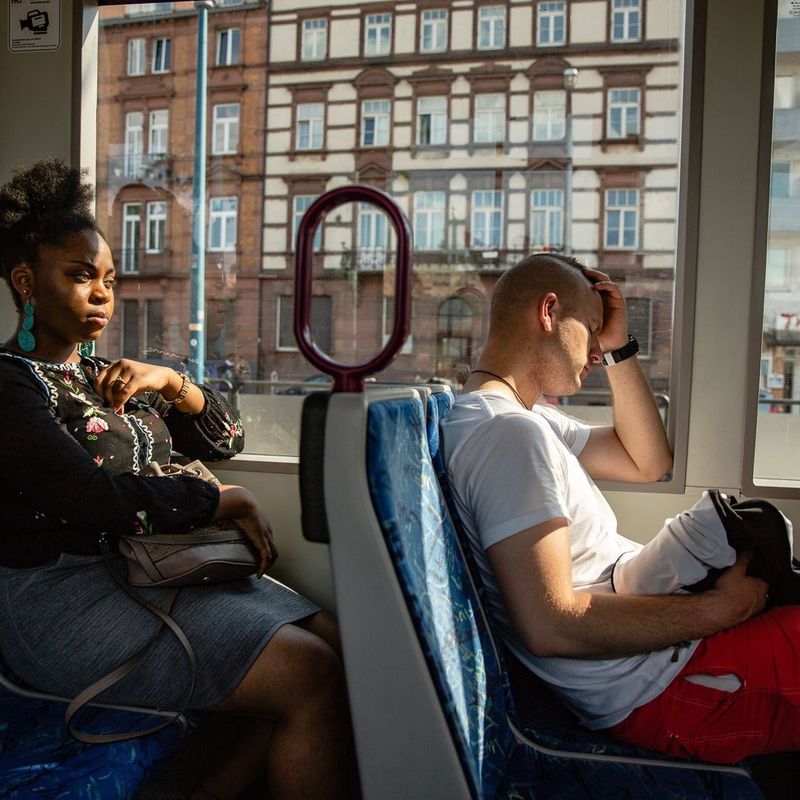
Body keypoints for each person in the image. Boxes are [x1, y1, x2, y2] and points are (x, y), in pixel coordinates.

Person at [0, 160, 356, 800]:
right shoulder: (9, 384)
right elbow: (90, 498)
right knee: (310, 671)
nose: (102, 294)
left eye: (109, 279)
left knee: (338, 641)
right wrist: (220, 500)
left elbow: (227, 440)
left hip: (150, 572)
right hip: (60, 598)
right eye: (80, 276)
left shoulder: (105, 377)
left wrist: (172, 382)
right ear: (26, 282)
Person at [441, 251, 800, 764]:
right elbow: (550, 626)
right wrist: (717, 610)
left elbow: (647, 461)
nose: (595, 351)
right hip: (661, 684)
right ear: (548, 313)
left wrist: (618, 348)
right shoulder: (509, 436)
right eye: (591, 330)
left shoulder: (524, 420)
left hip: (662, 657)